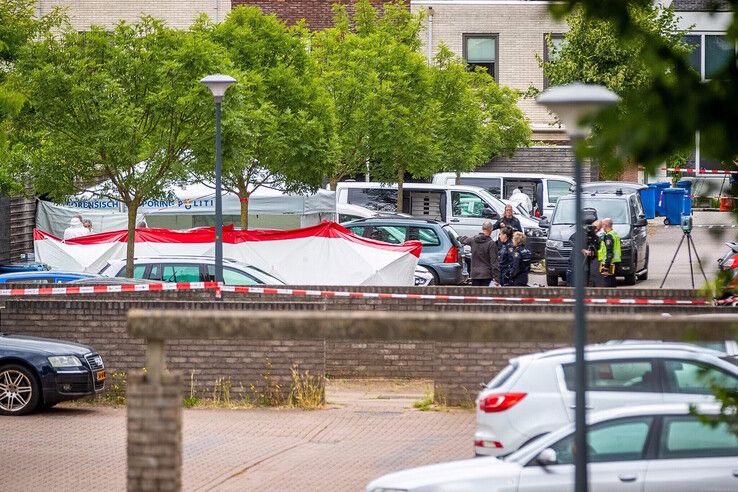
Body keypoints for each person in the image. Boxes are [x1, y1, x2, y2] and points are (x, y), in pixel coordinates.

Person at [458, 220, 499, 286]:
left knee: (476, 295)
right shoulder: (491, 244)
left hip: (475, 274)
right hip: (487, 275)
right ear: (491, 229)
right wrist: (497, 278)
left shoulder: (473, 240)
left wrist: (457, 237)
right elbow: (494, 262)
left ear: (482, 229)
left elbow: (463, 240)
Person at [566, 219, 601, 287]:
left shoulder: (595, 237)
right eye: (595, 228)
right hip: (576, 261)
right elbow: (571, 240)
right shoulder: (581, 233)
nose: (596, 230)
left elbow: (597, 247)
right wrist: (583, 250)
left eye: (598, 229)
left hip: (587, 263)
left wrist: (593, 253)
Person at [598, 217, 621, 287]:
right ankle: (614, 297)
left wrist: (606, 265)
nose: (602, 228)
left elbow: (609, 251)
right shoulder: (614, 234)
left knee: (608, 282)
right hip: (615, 261)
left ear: (605, 225)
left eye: (602, 225)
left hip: (610, 262)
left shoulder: (609, 236)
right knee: (612, 280)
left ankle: (609, 297)